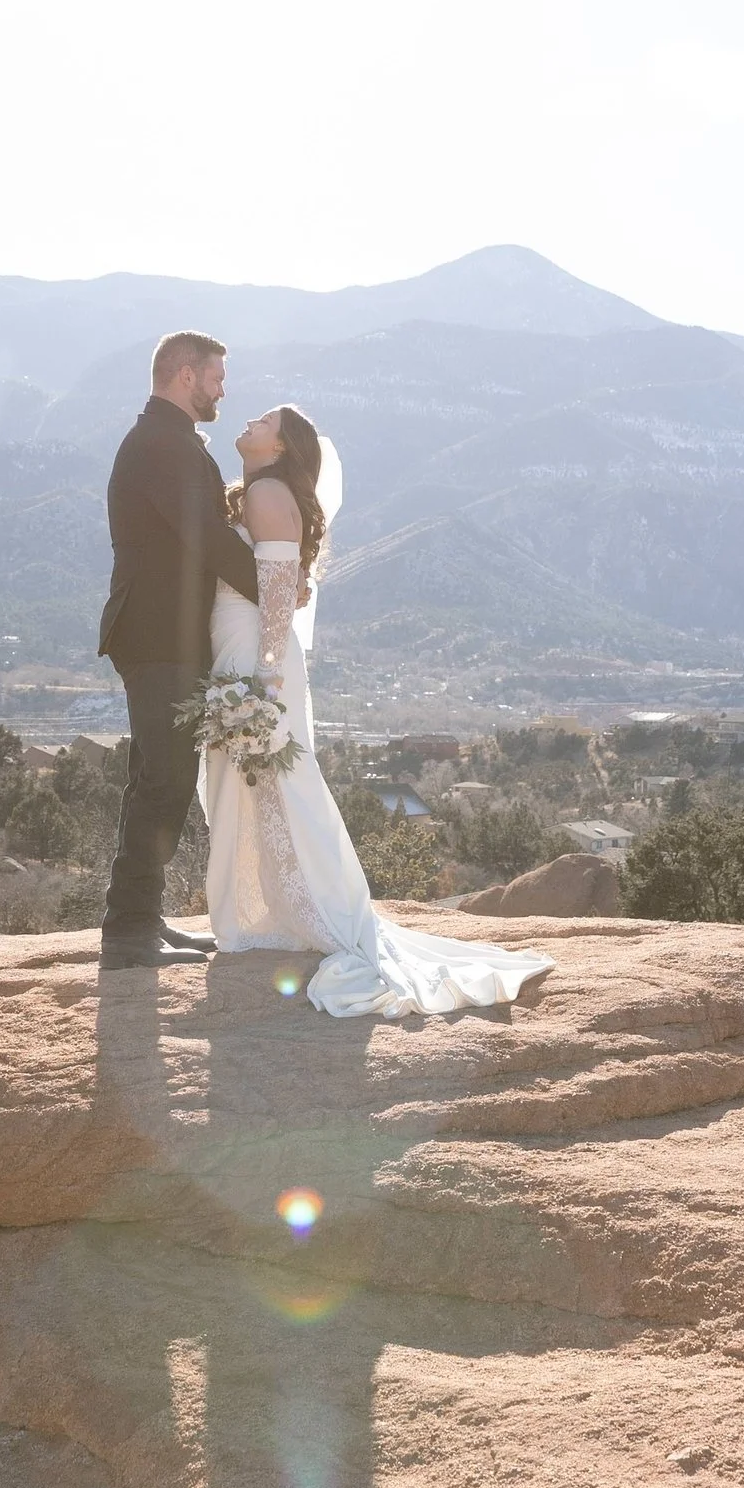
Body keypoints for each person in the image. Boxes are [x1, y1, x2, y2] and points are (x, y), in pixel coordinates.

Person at [201, 402, 552, 1022]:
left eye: (263, 422)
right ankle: (274, 915)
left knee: (279, 786)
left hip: (258, 661)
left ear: (279, 448)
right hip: (243, 651)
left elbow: (281, 591)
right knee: (256, 787)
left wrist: (263, 679)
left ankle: (302, 916)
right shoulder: (263, 492)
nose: (249, 423)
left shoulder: (269, 494)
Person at [96, 330, 263, 968]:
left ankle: (139, 919)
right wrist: (274, 589)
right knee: (164, 780)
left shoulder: (166, 440)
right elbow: (206, 537)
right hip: (156, 633)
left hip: (167, 633)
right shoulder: (161, 445)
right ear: (186, 375)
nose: (223, 388)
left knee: (158, 778)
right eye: (217, 376)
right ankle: (129, 933)